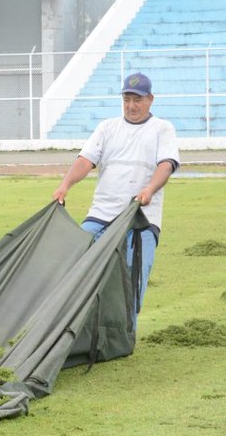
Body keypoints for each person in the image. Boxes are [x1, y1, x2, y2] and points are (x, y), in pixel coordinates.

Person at [52, 72, 179, 314]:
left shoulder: (162, 129)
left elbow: (167, 165)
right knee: (77, 264)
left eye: (138, 100)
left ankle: (123, 334)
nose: (131, 106)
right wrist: (65, 185)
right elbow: (85, 160)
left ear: (150, 99)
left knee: (131, 279)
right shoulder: (107, 128)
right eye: (127, 99)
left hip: (140, 219)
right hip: (101, 215)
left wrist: (149, 189)